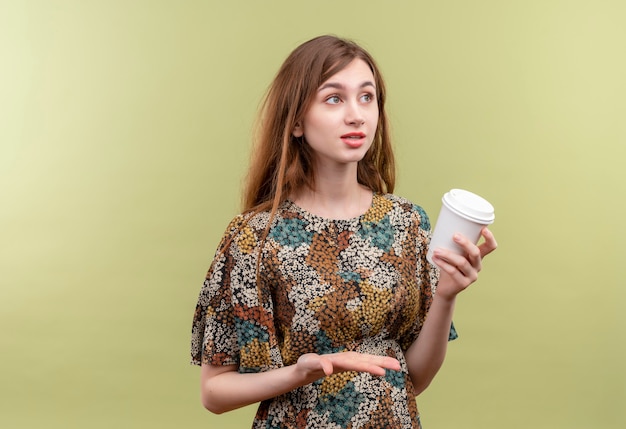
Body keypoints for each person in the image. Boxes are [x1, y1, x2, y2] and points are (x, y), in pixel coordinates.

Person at [190, 35, 497, 428]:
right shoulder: (255, 237)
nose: (357, 115)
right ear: (297, 120)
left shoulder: (407, 223)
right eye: (334, 98)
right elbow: (214, 393)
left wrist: (446, 295)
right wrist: (303, 372)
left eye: (366, 97)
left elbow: (414, 378)